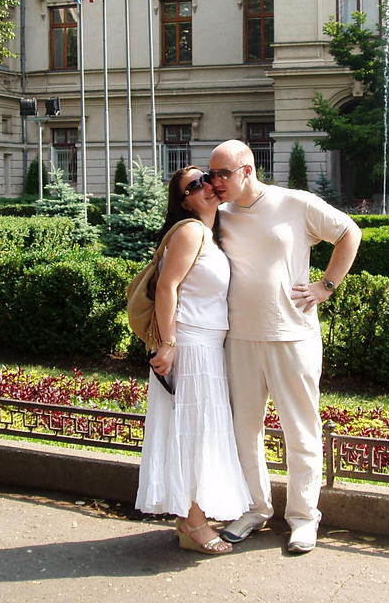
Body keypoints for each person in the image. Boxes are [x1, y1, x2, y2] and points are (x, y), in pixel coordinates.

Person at [207, 140, 362, 554]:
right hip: (238, 337)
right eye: (212, 174)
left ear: (248, 169)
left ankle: (304, 518)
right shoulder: (218, 216)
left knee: (301, 430)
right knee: (244, 430)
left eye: (224, 173)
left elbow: (350, 232)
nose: (216, 182)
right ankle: (255, 508)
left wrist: (326, 286)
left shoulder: (295, 203)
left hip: (293, 335)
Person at [135, 166, 251, 555]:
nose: (206, 186)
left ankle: (193, 515)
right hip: (189, 344)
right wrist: (167, 344)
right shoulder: (189, 231)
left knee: (200, 432)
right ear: (183, 199)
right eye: (194, 185)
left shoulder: (211, 235)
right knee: (196, 433)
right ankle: (192, 522)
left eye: (207, 179)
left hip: (207, 345)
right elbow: (168, 287)